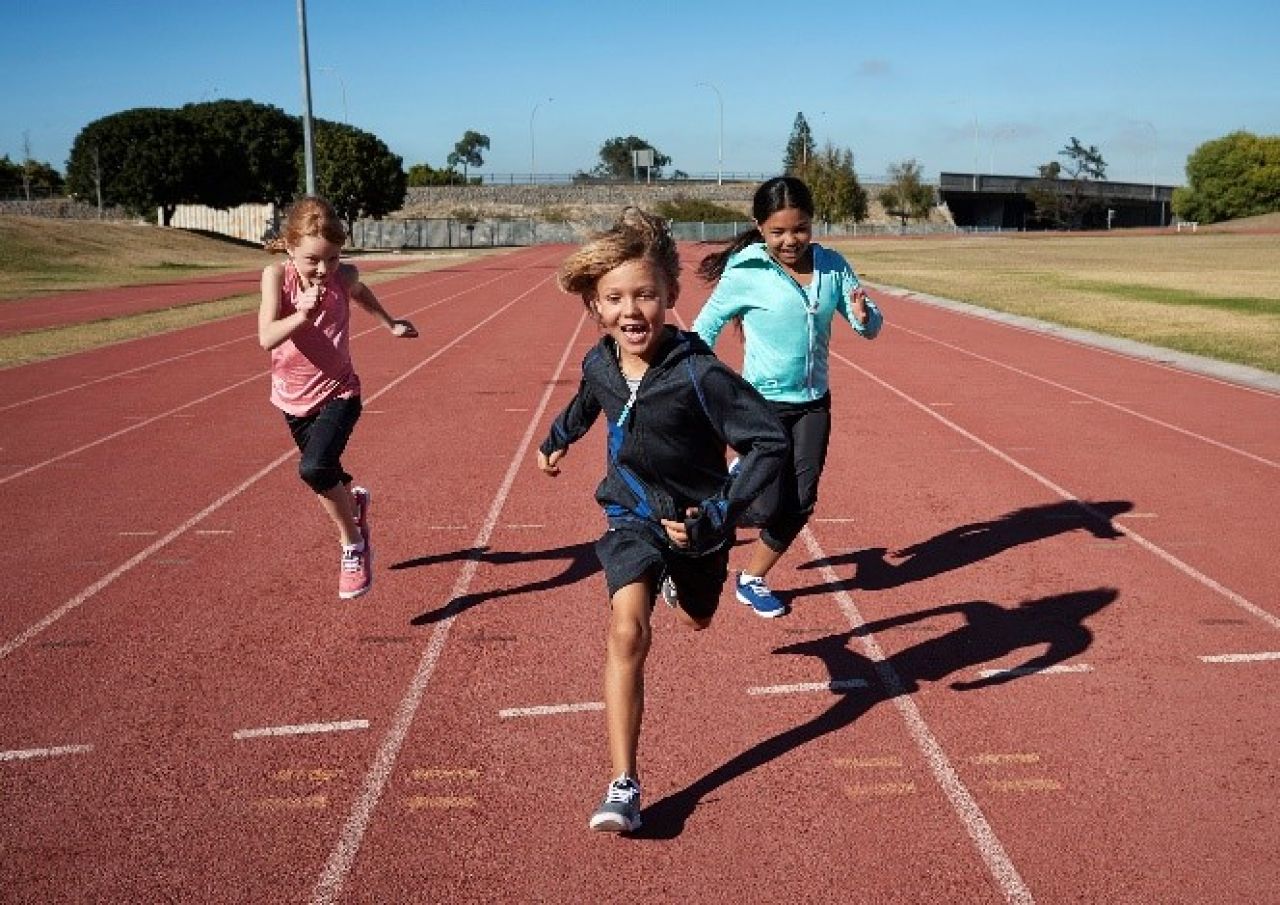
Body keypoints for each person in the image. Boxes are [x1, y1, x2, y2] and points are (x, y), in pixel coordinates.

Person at [537, 208, 787, 833]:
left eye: (645, 295)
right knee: (627, 631)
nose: (631, 311)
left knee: (698, 619)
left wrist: (722, 514)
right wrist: (558, 437)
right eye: (615, 298)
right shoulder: (601, 359)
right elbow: (590, 394)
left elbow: (768, 443)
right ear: (595, 305)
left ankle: (685, 584)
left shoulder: (699, 374)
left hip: (699, 524)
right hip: (630, 513)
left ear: (671, 295)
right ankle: (624, 783)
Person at [693, 176, 883, 618]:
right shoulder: (746, 269)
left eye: (799, 229)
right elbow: (706, 327)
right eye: (777, 232)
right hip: (761, 402)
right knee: (765, 506)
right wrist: (697, 379)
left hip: (814, 401)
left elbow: (869, 327)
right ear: (760, 227)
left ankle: (752, 578)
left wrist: (863, 314)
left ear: (811, 224)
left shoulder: (833, 266)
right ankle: (726, 496)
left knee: (802, 501)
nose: (789, 240)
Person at [258, 196, 418, 600]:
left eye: (332, 259)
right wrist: (301, 315)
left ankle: (354, 545)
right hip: (291, 398)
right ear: (291, 247)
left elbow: (361, 292)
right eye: (313, 260)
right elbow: (266, 338)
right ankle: (354, 500)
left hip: (339, 391)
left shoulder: (342, 276)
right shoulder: (275, 277)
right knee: (327, 476)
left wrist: (391, 324)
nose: (323, 269)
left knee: (313, 470)